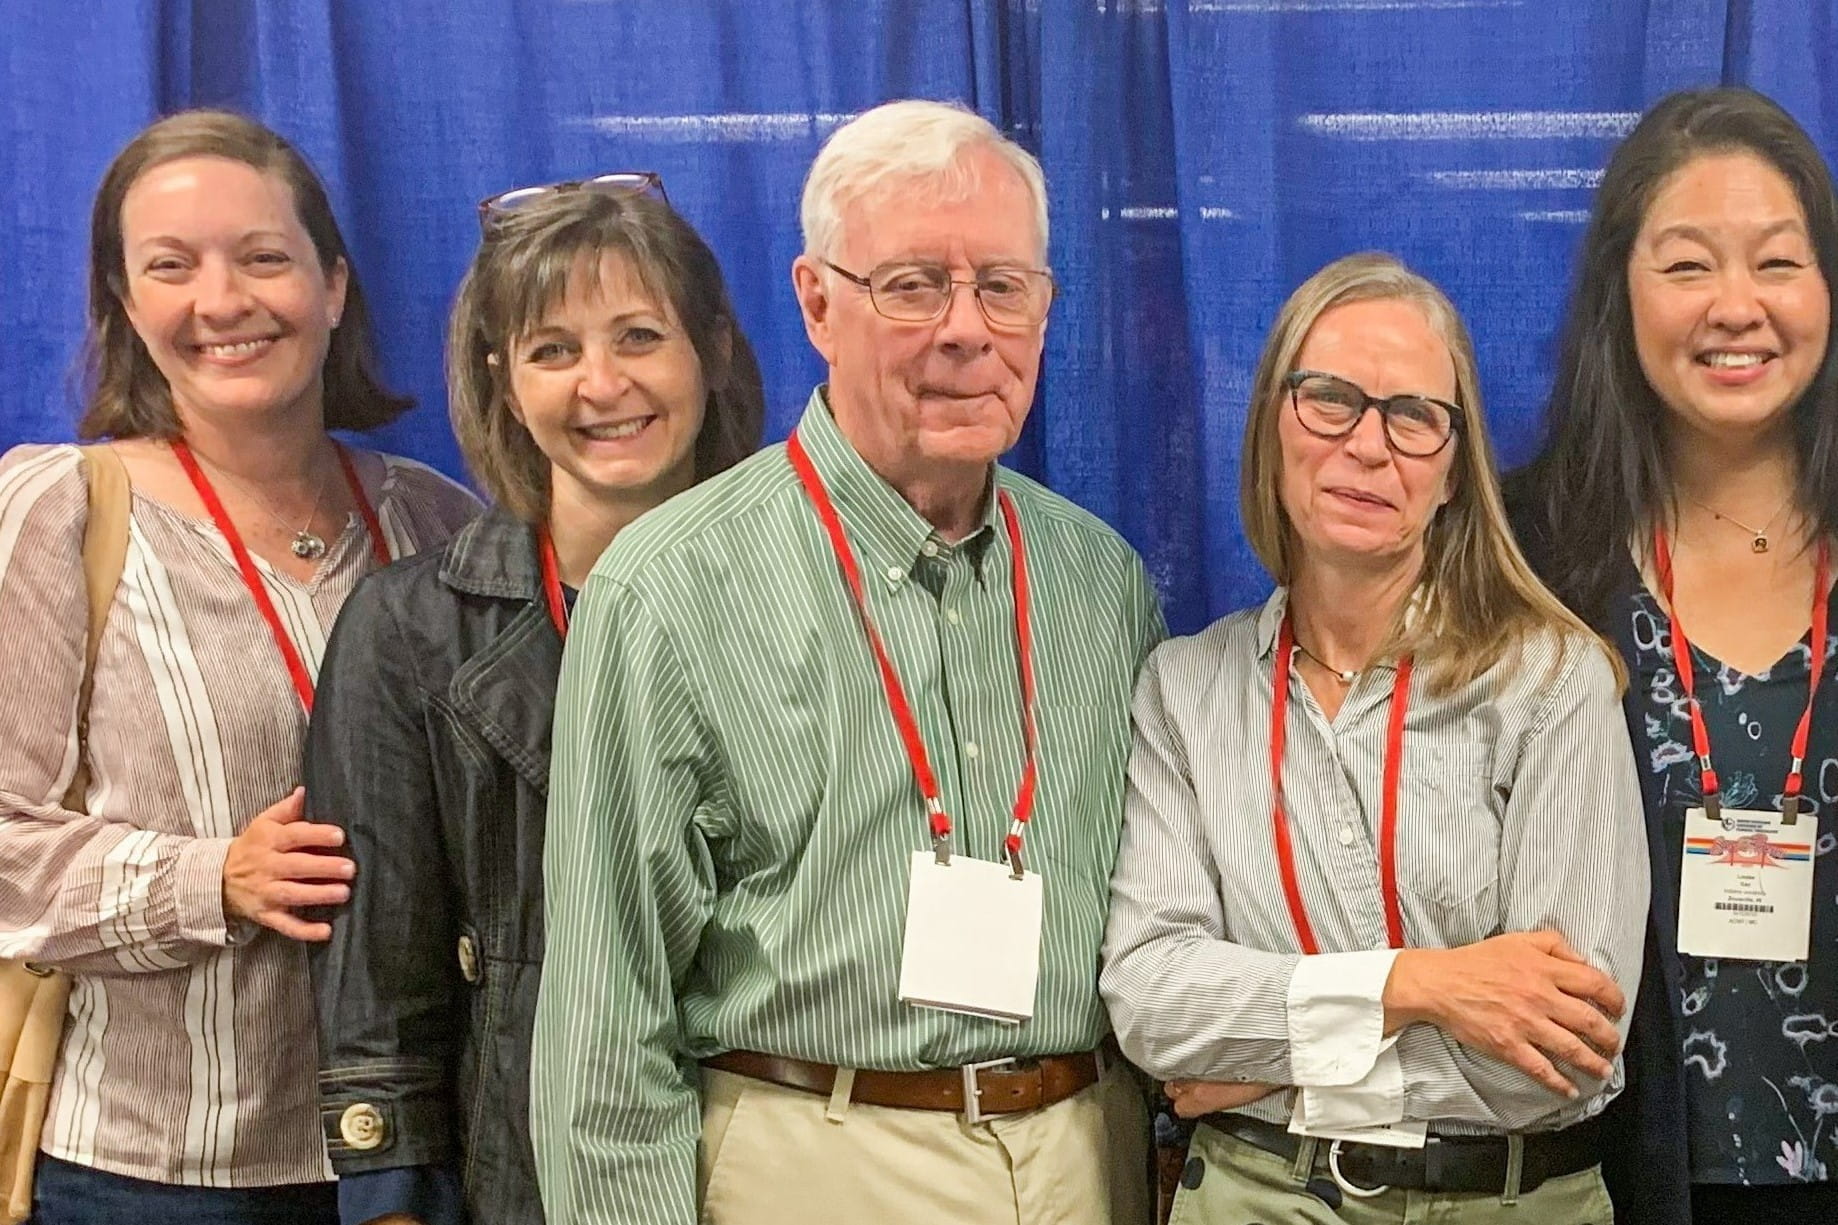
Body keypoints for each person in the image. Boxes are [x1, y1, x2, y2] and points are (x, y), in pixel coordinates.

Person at [528, 99, 1166, 1225]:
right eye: (913, 284)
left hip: (1083, 1151)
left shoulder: (1099, 582)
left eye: (1002, 287)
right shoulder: (670, 587)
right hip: (812, 1157)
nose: (966, 329)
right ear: (817, 302)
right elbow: (606, 1022)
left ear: (1045, 308)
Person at [1101, 252, 1648, 1223]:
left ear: (1451, 470)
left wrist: (1270, 1069)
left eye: (1411, 415)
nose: (1366, 444)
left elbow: (1561, 1053)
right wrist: (1427, 984)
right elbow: (1150, 1003)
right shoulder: (1183, 692)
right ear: (1271, 426)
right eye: (1329, 399)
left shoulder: (1552, 682)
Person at [0, 110, 477, 1223]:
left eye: (264, 256)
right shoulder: (56, 516)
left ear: (335, 286)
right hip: (145, 1178)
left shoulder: (441, 528)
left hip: (412, 1166)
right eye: (172, 266)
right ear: (125, 303)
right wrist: (213, 879)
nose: (223, 301)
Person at [305, 178, 764, 1225]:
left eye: (639, 335)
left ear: (715, 351)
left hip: (784, 1166)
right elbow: (377, 1003)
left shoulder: (811, 597)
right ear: (502, 382)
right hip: (520, 1183)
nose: (600, 383)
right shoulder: (407, 632)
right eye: (552, 349)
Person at [1511, 86, 1838, 1225]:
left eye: (1777, 264)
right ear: (1620, 292)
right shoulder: (1525, 558)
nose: (1734, 308)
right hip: (1609, 1178)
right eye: (1687, 265)